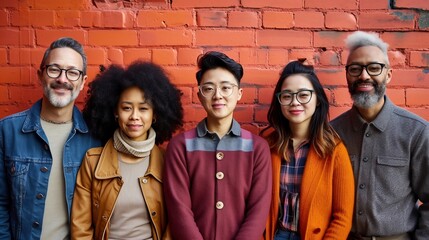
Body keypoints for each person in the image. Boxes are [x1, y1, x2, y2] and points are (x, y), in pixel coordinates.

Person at [331, 31, 429, 240]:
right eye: (355, 68)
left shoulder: (416, 132)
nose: (364, 76)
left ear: (388, 74)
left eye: (374, 68)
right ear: (347, 74)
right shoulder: (332, 133)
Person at [163, 51, 272, 240]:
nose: (217, 96)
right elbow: (179, 211)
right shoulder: (180, 147)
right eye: (209, 88)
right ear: (199, 95)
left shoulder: (258, 148)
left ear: (239, 94)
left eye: (226, 88)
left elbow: (258, 211)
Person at [0, 37, 101, 239]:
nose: (62, 79)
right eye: (54, 69)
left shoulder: (96, 137)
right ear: (40, 75)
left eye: (73, 72)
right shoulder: (7, 131)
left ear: (83, 82)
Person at [71, 61, 183, 240]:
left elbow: (175, 223)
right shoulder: (93, 161)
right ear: (115, 112)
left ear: (155, 114)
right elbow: (80, 228)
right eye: (126, 108)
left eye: (144, 108)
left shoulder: (168, 161)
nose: (134, 116)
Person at [262, 61, 355, 240]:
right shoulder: (268, 146)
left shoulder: (334, 150)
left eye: (303, 95)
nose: (295, 102)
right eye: (287, 96)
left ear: (317, 100)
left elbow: (342, 217)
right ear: (279, 101)